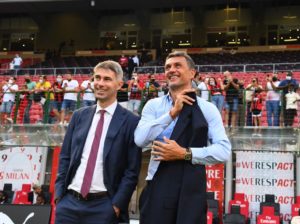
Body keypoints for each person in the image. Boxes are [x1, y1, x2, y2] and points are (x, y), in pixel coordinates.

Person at [134, 51, 231, 224]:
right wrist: (172, 113)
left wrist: (185, 153)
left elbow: (224, 151)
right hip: (157, 186)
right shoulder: (153, 105)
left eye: (178, 65)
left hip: (191, 190)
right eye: (168, 67)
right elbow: (140, 139)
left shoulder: (208, 109)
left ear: (192, 73)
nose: (171, 70)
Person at [55, 60, 141, 224]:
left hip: (104, 207)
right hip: (69, 205)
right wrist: (60, 196)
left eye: (107, 79)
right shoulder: (79, 116)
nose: (100, 84)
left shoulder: (131, 121)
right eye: (97, 78)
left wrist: (116, 205)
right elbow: (65, 156)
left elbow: (132, 170)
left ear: (119, 85)